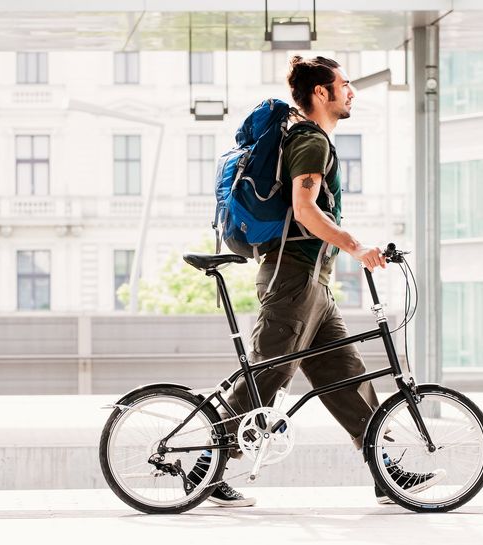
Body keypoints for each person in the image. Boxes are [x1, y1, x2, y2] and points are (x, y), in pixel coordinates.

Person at [188, 56, 442, 507]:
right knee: (269, 375)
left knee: (346, 376)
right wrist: (356, 246)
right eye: (344, 84)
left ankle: (385, 474)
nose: (351, 92)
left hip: (313, 284)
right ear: (321, 93)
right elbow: (305, 209)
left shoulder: (310, 139)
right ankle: (203, 471)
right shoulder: (309, 140)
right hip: (294, 279)